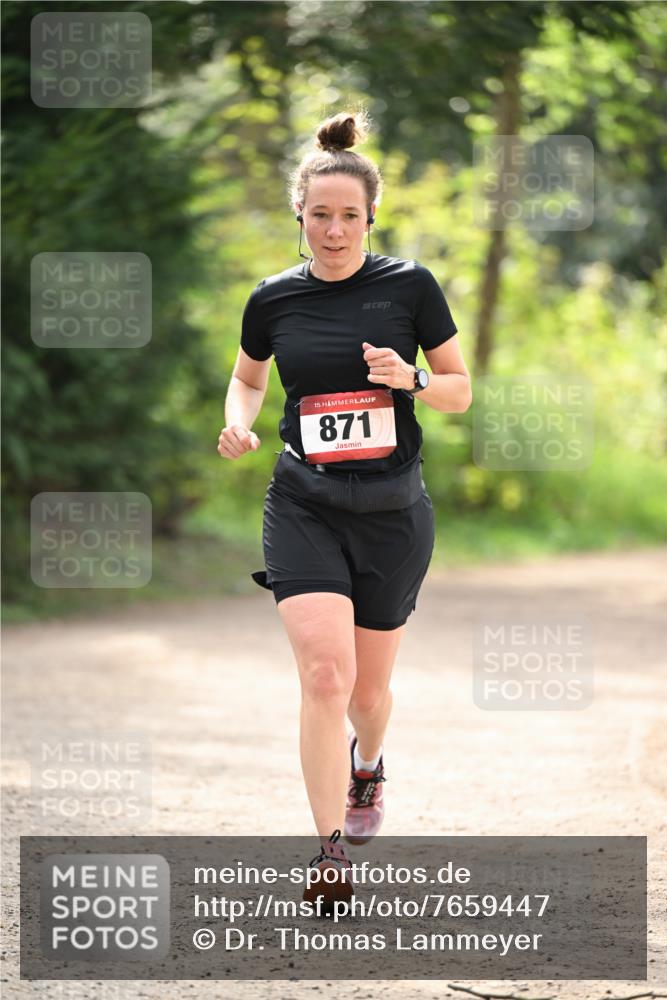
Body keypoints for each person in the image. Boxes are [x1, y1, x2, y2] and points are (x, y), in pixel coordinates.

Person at [217, 110, 471, 904]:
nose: (334, 230)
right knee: (326, 677)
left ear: (370, 217)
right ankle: (329, 854)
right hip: (304, 502)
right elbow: (249, 378)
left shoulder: (410, 287)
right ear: (299, 213)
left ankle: (368, 765)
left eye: (349, 216)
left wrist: (412, 380)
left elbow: (459, 390)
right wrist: (236, 422)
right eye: (319, 215)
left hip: (393, 510)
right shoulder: (272, 299)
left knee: (367, 694)